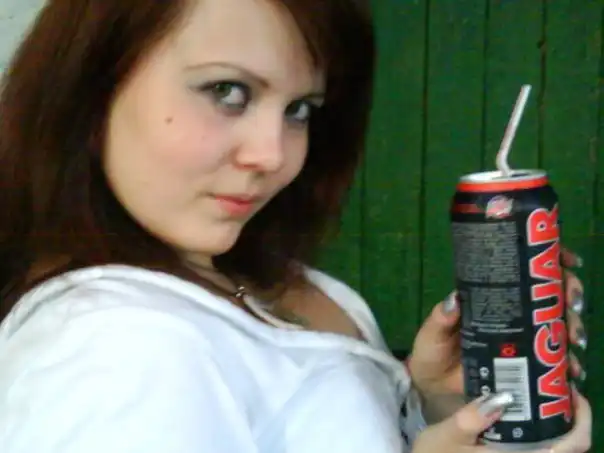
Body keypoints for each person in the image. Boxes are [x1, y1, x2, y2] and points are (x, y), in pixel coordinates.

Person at [0, 0, 591, 452]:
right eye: (227, 91)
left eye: (299, 110)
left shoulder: (262, 278)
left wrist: (431, 402)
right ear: (91, 88)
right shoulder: (113, 347)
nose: (274, 155)